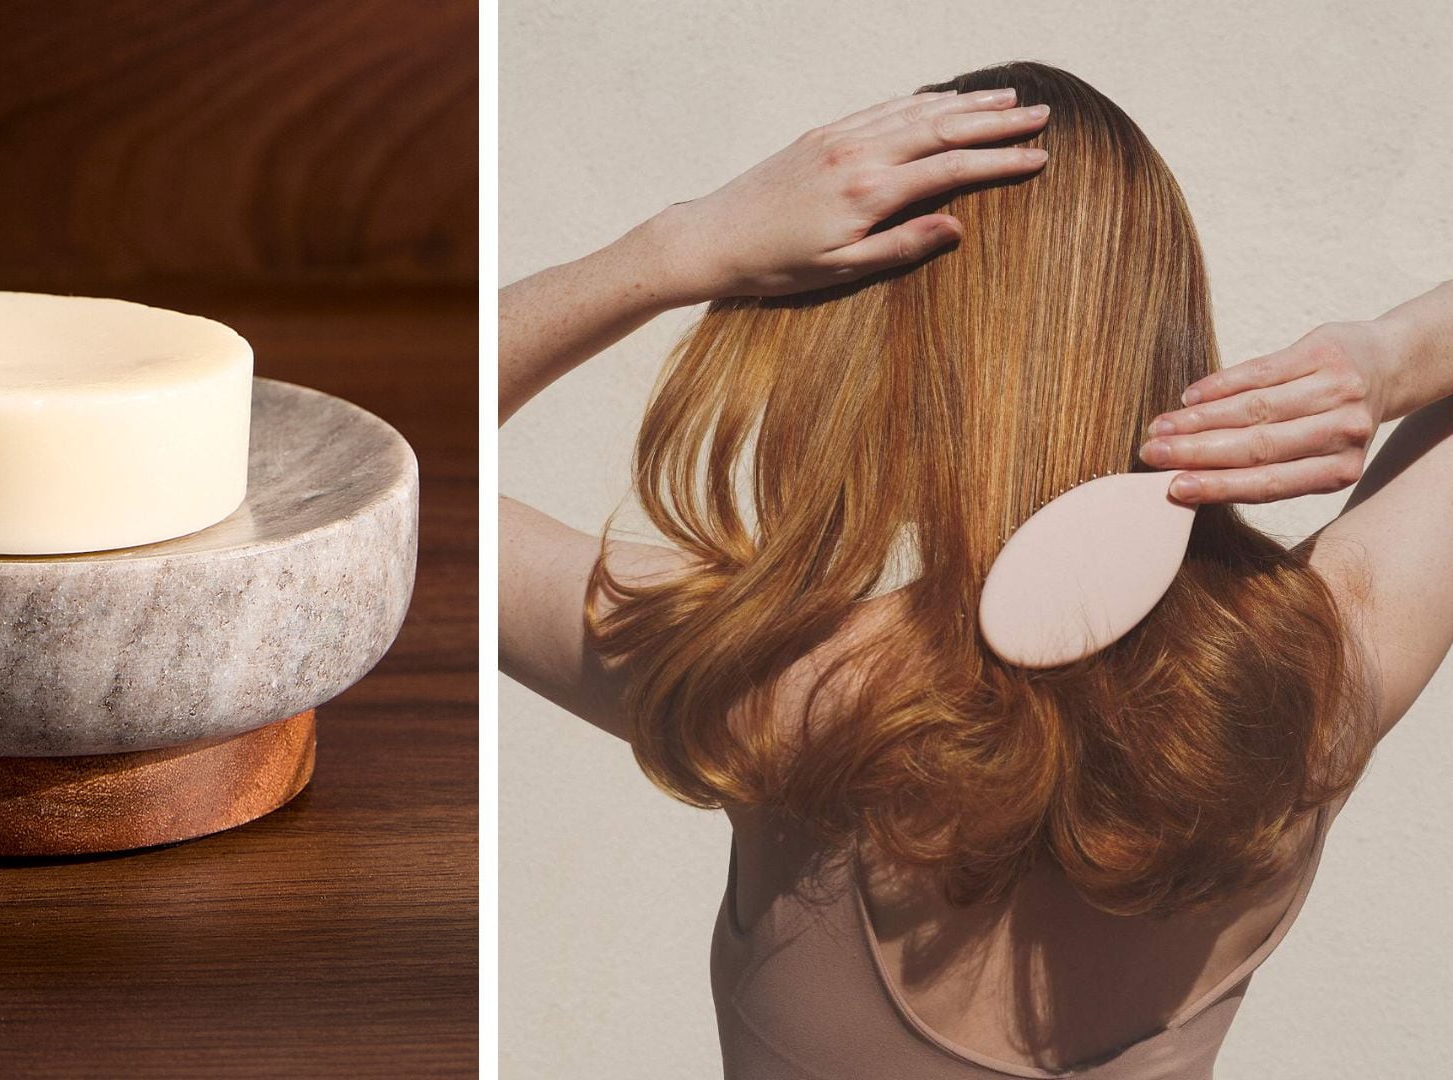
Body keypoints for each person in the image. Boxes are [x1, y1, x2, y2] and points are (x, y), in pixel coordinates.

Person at [499, 60, 1453, 1078]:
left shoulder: (779, 686)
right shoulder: (1320, 678)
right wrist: (1391, 356)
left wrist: (686, 242)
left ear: (884, 355)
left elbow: (385, 482)